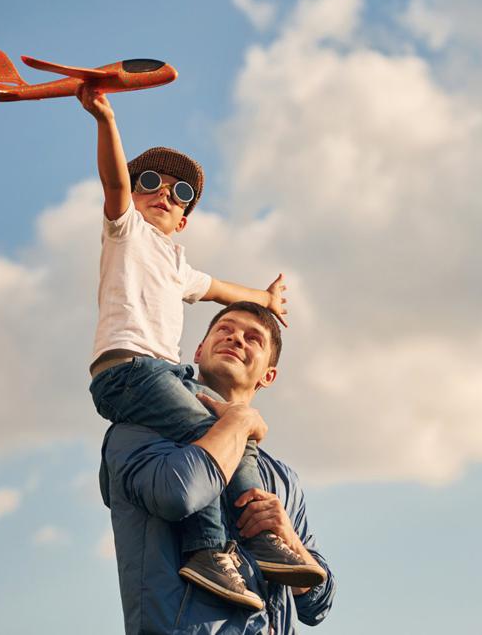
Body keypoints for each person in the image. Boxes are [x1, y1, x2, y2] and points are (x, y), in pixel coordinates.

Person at [78, 84, 323, 609]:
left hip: (158, 376)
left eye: (178, 193)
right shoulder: (127, 234)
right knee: (217, 431)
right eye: (151, 184)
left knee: (232, 439)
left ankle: (270, 544)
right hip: (131, 371)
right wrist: (105, 119)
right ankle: (210, 549)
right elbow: (113, 181)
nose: (163, 194)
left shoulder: (177, 265)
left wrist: (265, 298)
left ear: (184, 220)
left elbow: (221, 290)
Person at [97, 302, 337, 634]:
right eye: (224, 328)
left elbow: (317, 605)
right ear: (199, 350)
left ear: (268, 375)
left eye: (253, 338)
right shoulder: (137, 432)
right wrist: (239, 422)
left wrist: (288, 538)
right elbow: (179, 493)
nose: (236, 338)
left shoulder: (280, 478)